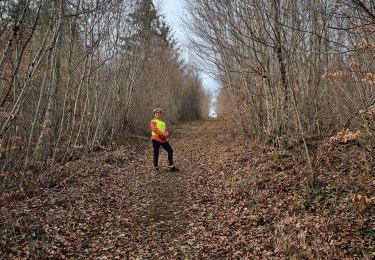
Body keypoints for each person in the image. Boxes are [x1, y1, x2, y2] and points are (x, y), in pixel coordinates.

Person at [150, 108, 179, 172]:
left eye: (159, 113)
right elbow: (155, 129)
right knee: (156, 152)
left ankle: (171, 166)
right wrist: (162, 134)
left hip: (163, 139)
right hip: (156, 138)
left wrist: (166, 134)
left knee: (170, 150)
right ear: (154, 114)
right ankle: (156, 167)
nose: (158, 114)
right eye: (156, 113)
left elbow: (166, 130)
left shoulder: (163, 122)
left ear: (160, 114)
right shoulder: (153, 121)